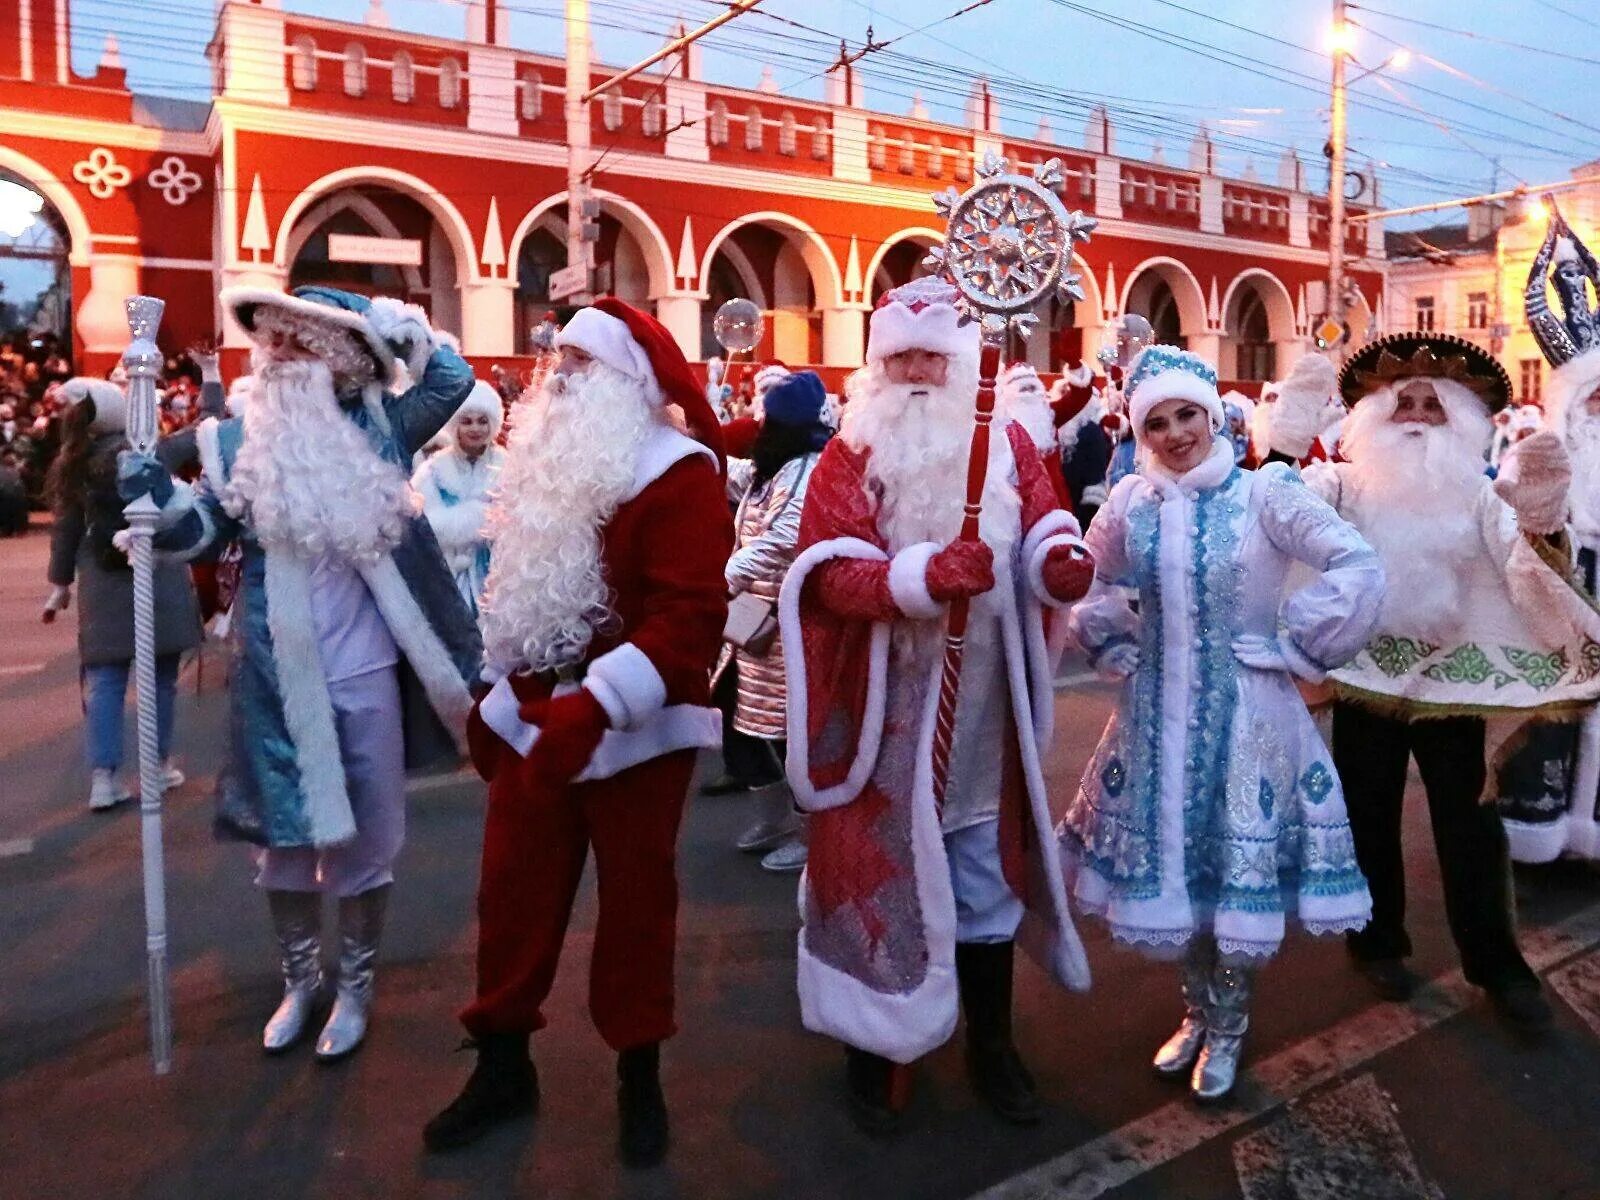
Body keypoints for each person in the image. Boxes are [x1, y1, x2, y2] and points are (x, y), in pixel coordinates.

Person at [117, 286, 482, 1061]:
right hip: (276, 675)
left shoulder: (383, 425)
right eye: (272, 342)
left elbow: (452, 379)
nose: (276, 356)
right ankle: (299, 981)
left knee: (368, 837)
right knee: (282, 842)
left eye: (297, 343)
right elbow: (205, 528)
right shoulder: (233, 440)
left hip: (371, 672)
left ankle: (354, 989)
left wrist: (392, 329)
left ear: (342, 361)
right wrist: (162, 507)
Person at [779, 277, 1096, 1133]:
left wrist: (1059, 561)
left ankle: (991, 1044)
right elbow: (825, 574)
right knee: (881, 882)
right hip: (886, 710)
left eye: (931, 355)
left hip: (986, 701)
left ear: (959, 362)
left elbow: (1048, 525)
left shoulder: (1009, 446)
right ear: (876, 367)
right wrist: (916, 580)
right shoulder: (849, 454)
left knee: (984, 872)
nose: (916, 371)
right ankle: (875, 1045)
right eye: (899, 357)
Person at [423, 299, 730, 1167]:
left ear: (632, 380)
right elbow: (518, 594)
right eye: (560, 365)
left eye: (583, 367)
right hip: (534, 724)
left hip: (634, 733)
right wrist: (496, 699)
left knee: (636, 908)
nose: (562, 379)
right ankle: (502, 1065)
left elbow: (689, 616)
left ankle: (640, 1075)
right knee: (510, 899)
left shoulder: (680, 472)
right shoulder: (546, 462)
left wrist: (597, 706)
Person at [1059, 346, 1382, 1102]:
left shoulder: (1265, 493)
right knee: (1180, 875)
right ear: (1142, 432)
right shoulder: (1131, 502)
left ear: (1215, 416)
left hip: (1250, 721)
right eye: (1158, 422)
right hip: (1153, 719)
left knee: (1232, 881)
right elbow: (1086, 576)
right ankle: (1197, 1011)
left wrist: (1294, 641)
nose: (1175, 434)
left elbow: (1357, 565)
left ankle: (1230, 1024)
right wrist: (1109, 629)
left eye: (1187, 415)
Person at [1256, 332, 1600, 1029]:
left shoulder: (1478, 496)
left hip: (1453, 685)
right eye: (1402, 401)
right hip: (1363, 679)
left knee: (1472, 826)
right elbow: (1272, 514)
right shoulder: (1344, 485)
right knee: (1368, 817)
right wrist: (1282, 451)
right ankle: (1377, 941)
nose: (1416, 414)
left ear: (1461, 418)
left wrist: (1539, 520)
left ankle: (1498, 967)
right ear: (1373, 416)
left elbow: (1526, 563)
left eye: (1433, 403)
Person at [43, 377, 202, 810]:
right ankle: (157, 767)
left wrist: (59, 586)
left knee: (106, 682)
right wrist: (211, 379)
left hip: (101, 580)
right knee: (161, 681)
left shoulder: (72, 463)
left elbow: (66, 530)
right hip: (154, 571)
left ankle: (103, 778)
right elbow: (201, 434)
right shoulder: (145, 452)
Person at [1499, 208, 1600, 862]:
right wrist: (1551, 253)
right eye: (1591, 398)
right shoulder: (1544, 449)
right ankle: (1543, 829)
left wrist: (1579, 259)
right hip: (1559, 579)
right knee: (1554, 709)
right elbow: (1510, 511)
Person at [719, 370, 832, 873]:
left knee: (792, 734)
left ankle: (812, 836)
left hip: (789, 624)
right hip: (749, 622)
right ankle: (774, 818)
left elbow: (786, 536)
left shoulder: (808, 469)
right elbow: (731, 474)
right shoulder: (772, 467)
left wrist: (728, 574)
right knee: (745, 729)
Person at [413, 381, 506, 616]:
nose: (475, 428)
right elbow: (422, 526)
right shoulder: (433, 471)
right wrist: (479, 519)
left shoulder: (510, 467)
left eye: (482, 421)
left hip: (498, 578)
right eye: (467, 421)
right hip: (446, 577)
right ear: (455, 426)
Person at [998, 363, 1070, 506]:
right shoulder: (1001, 422)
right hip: (1015, 501)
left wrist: (1074, 364)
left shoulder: (1050, 415)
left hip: (1053, 500)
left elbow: (1080, 396)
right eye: (1023, 388)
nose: (1028, 394)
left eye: (1032, 388)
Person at [1051, 365, 1113, 526]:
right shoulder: (1052, 430)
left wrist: (1083, 521)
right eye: (1063, 395)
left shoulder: (1091, 431)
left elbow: (1095, 478)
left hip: (1079, 509)